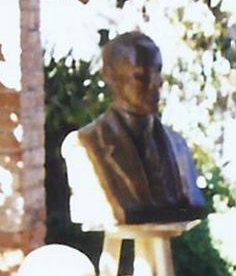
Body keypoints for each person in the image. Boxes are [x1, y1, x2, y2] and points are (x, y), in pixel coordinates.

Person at [64, 31, 207, 226]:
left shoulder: (178, 145)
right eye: (141, 75)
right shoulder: (84, 145)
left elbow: (194, 203)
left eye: (158, 71)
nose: (156, 83)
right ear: (111, 77)